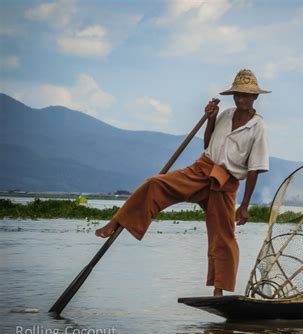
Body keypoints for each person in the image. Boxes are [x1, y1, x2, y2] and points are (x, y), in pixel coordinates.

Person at [95, 69, 270, 296]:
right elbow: (208, 144)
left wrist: (244, 205)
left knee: (224, 236)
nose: (241, 99)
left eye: (246, 95)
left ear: (255, 97)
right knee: (155, 184)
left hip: (226, 183)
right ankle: (117, 222)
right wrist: (210, 119)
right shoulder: (226, 115)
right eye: (238, 95)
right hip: (202, 169)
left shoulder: (258, 127)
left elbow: (255, 168)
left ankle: (219, 291)